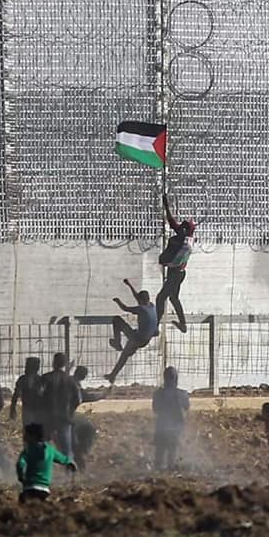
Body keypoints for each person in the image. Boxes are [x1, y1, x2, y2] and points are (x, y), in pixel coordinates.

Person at [104, 279, 159, 384]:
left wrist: (118, 301)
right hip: (145, 338)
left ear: (141, 301)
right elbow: (137, 296)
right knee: (125, 354)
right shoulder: (152, 306)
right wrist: (129, 285)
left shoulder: (141, 309)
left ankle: (117, 342)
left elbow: (125, 308)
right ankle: (113, 375)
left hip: (138, 338)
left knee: (116, 319)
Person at [156, 194, 195, 333]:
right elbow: (172, 222)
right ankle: (183, 325)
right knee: (173, 298)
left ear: (187, 230)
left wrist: (166, 263)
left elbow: (178, 260)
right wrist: (166, 205)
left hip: (176, 273)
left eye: (183, 227)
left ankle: (154, 327)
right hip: (175, 273)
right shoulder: (182, 234)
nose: (180, 227)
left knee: (161, 298)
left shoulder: (186, 244)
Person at [16, 422, 76, 503]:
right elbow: (64, 460)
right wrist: (71, 463)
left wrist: (21, 477)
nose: (24, 437)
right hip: (44, 489)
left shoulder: (28, 450)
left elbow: (20, 464)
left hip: (29, 488)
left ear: (32, 436)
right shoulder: (51, 450)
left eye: (26, 435)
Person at [42, 353, 81, 460]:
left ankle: (42, 471)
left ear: (53, 363)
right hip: (64, 417)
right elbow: (78, 399)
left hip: (48, 417)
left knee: (42, 446)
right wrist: (71, 410)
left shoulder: (46, 378)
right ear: (64, 364)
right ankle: (68, 473)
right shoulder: (70, 380)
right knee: (67, 449)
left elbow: (38, 395)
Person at [151, 366, 190, 471]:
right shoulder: (183, 394)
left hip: (161, 428)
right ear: (176, 379)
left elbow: (155, 409)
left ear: (164, 378)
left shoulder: (157, 394)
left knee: (159, 454)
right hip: (176, 430)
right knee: (172, 454)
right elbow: (187, 407)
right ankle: (170, 470)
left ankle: (157, 471)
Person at [9, 357, 48, 427]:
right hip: (38, 410)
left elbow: (16, 395)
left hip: (28, 409)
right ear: (37, 367)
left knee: (29, 432)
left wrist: (12, 408)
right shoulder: (41, 379)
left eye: (27, 365)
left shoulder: (23, 379)